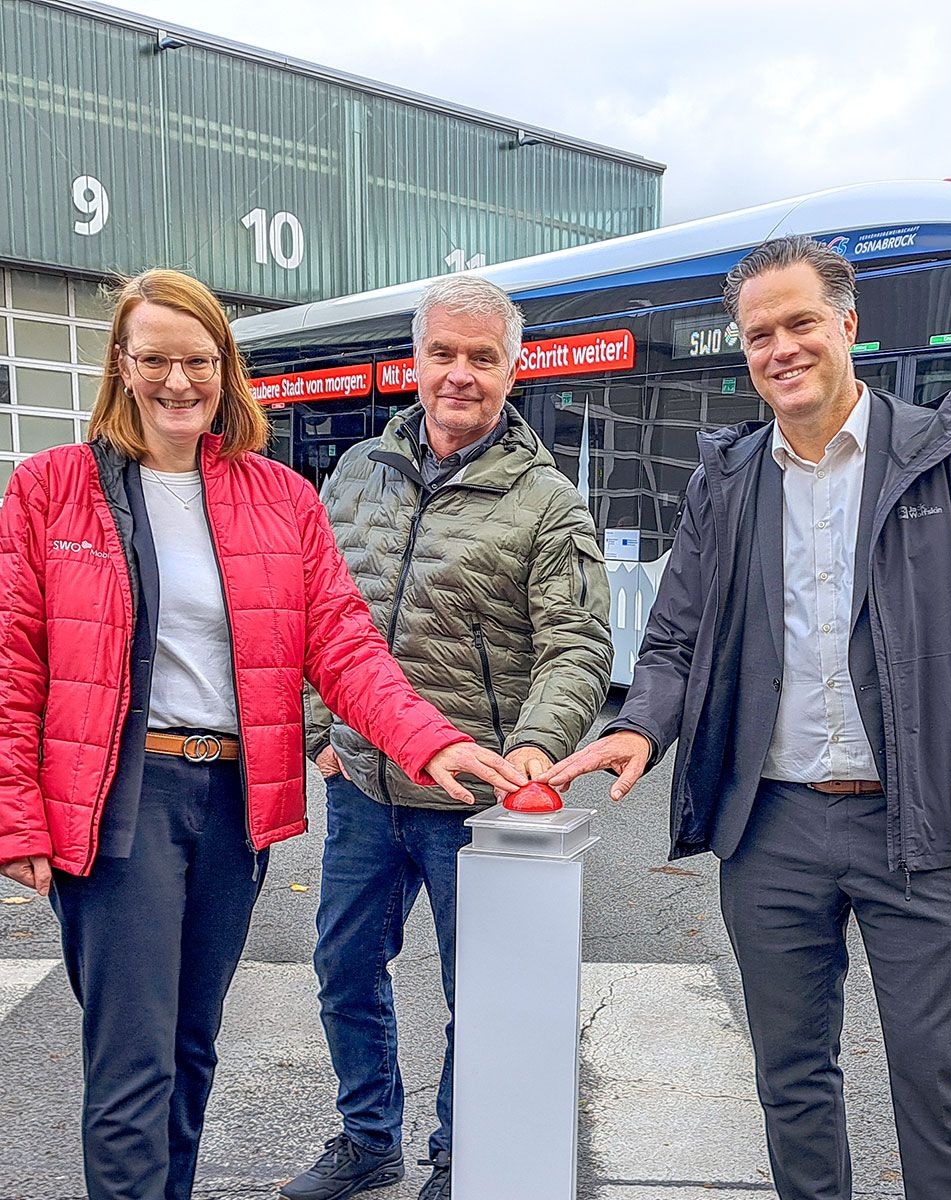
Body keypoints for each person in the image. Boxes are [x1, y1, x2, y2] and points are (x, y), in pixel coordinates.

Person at [0, 269, 524, 1200]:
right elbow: (15, 663)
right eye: (154, 359)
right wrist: (15, 815)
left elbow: (344, 643)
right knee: (132, 1060)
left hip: (233, 800)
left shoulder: (279, 497)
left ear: (224, 369)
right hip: (122, 798)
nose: (176, 382)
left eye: (197, 361)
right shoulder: (52, 490)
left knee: (192, 1046)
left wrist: (426, 740)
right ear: (121, 365)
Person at [546, 236, 951, 1200]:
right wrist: (641, 726)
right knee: (791, 1080)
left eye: (800, 322)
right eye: (759, 333)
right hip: (769, 828)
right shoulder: (727, 480)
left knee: (939, 1083)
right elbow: (676, 638)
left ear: (846, 325)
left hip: (923, 831)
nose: (782, 347)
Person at [283, 275, 612, 1200]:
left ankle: (458, 1154)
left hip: (474, 803)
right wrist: (319, 727)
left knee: (484, 994)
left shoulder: (547, 501)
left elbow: (578, 643)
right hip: (360, 786)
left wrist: (540, 745)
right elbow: (308, 615)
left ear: (514, 369)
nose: (459, 374)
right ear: (414, 363)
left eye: (482, 357)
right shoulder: (355, 473)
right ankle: (366, 1135)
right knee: (344, 968)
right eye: (443, 353)